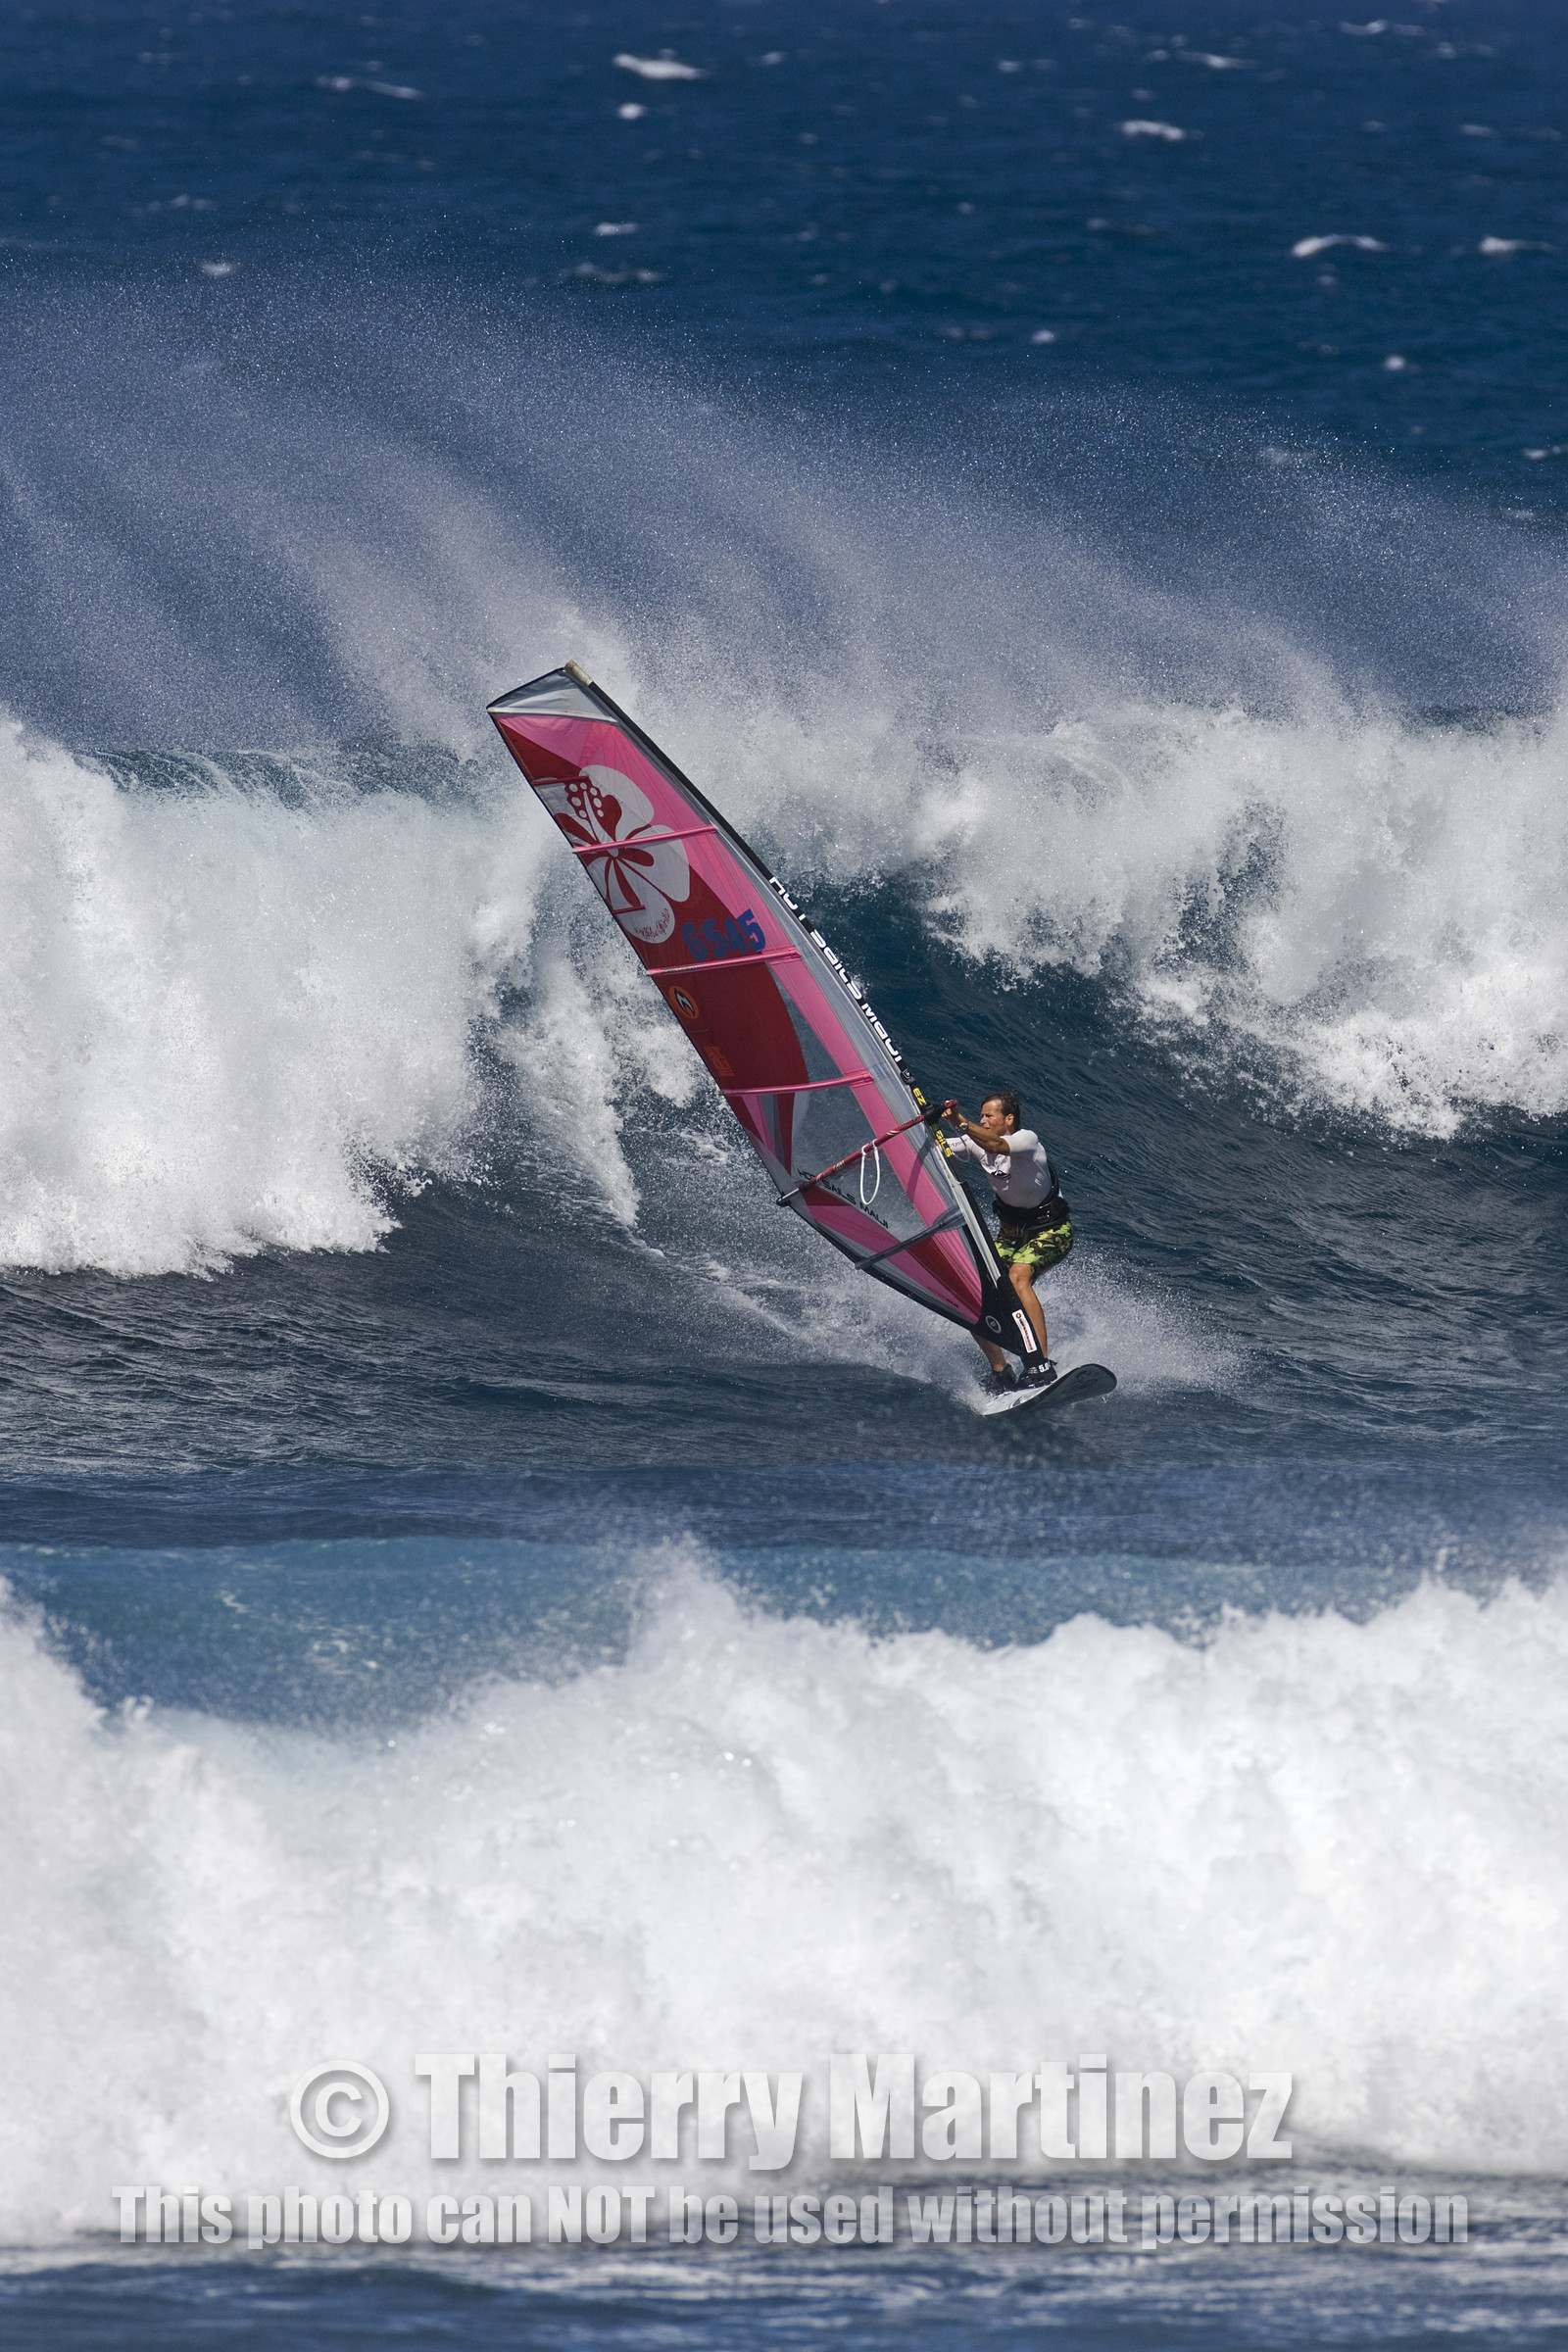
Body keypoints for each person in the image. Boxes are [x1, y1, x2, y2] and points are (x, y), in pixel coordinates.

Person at [930, 1092, 1072, 1394]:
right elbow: (938, 1148)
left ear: (1008, 1119)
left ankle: (1041, 1365)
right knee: (974, 1286)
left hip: (1051, 1230)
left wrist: (958, 1120)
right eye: (980, 1115)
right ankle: (1000, 1370)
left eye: (989, 1115)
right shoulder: (974, 1143)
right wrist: (925, 1125)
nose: (983, 1120)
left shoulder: (1027, 1140)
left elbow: (996, 1144)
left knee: (1018, 1278)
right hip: (1011, 1232)